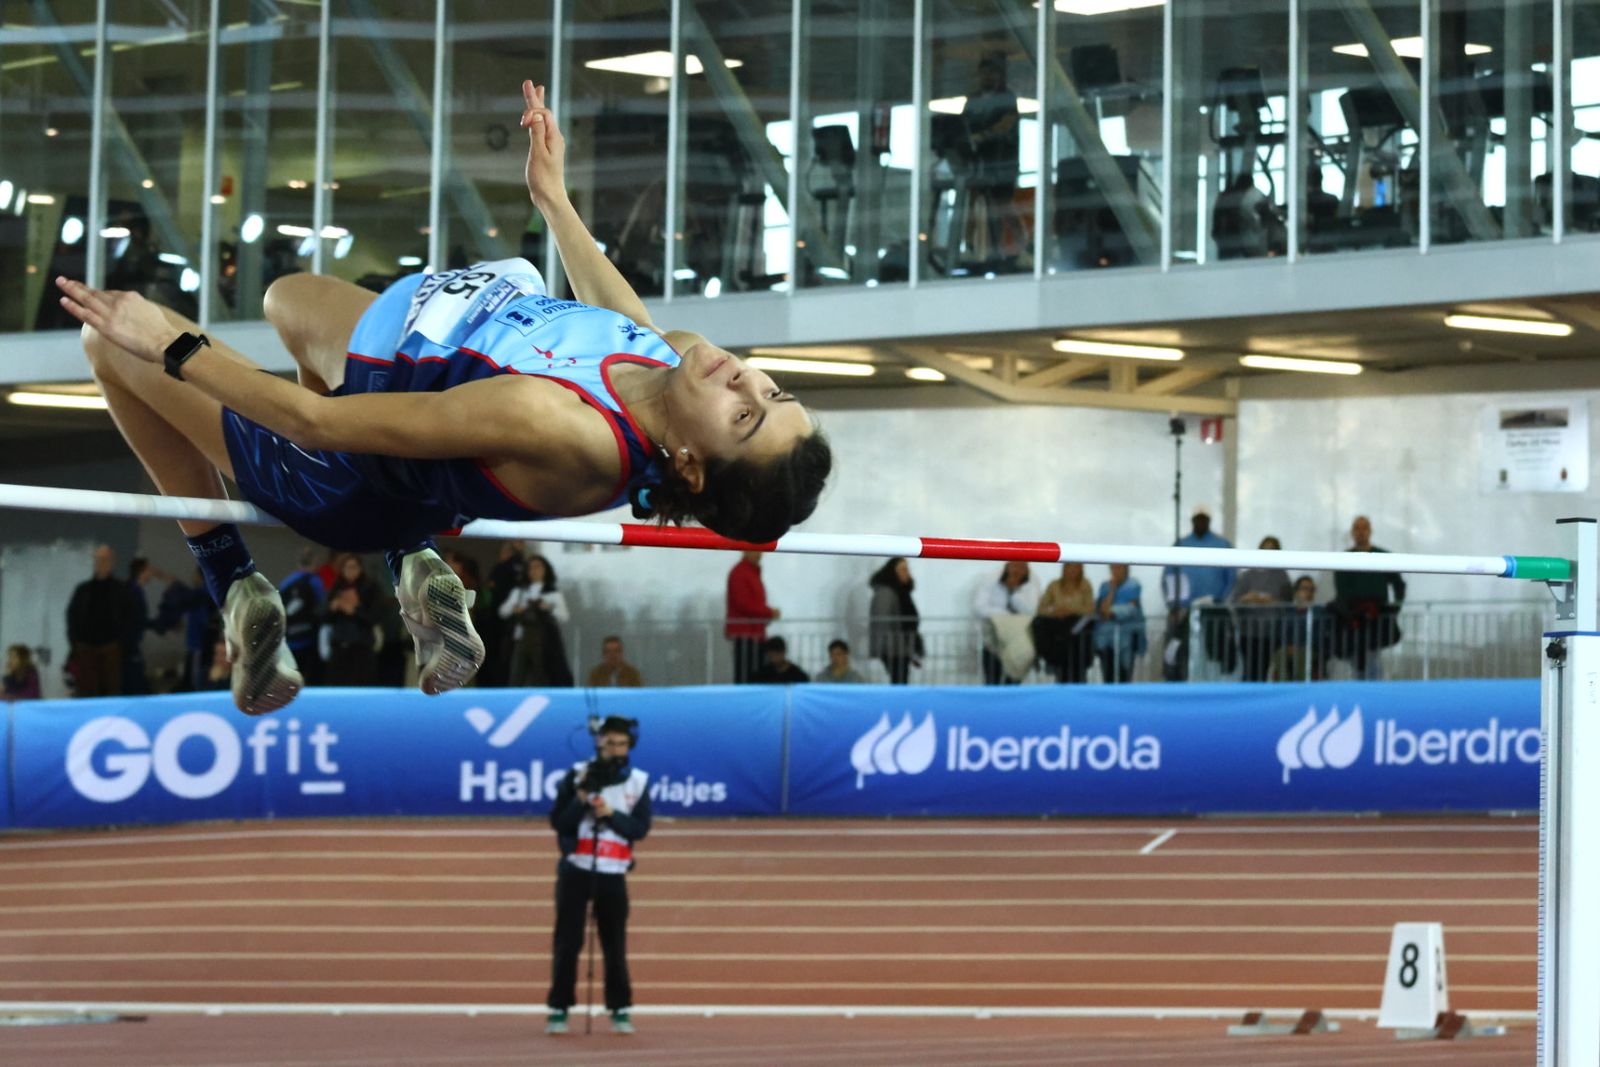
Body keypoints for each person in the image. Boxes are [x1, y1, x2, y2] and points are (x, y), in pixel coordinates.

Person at [57, 79, 831, 717]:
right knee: (287, 300)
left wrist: (172, 345)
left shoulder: (562, 425)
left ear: (690, 464)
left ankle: (235, 582)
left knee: (109, 342)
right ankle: (411, 555)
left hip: (338, 470)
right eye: (773, 389)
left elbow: (317, 422)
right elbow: (622, 321)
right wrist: (554, 201)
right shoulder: (674, 359)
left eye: (745, 416)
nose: (744, 380)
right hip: (400, 352)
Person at [546, 716, 651, 1037]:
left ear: (629, 745)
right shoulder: (577, 775)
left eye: (621, 743)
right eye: (609, 743)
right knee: (568, 942)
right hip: (577, 869)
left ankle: (620, 1008)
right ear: (598, 743)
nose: (615, 749)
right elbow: (559, 824)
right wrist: (580, 801)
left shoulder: (638, 781)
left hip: (613, 873)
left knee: (614, 944)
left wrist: (611, 814)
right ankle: (559, 1008)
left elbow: (639, 829)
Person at [1161, 506, 1237, 679]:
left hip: (1213, 609)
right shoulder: (1181, 544)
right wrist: (1174, 605)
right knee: (1181, 649)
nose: (1200, 522)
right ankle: (1179, 683)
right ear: (1192, 521)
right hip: (1185, 610)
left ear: (1209, 521)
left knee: (1216, 651)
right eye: (1197, 519)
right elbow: (1169, 577)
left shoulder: (1222, 545)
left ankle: (1214, 684)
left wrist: (1219, 600)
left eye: (1204, 519)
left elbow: (1231, 577)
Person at [960, 53, 1021, 270]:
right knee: (973, 200)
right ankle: (968, 245)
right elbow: (962, 126)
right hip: (979, 160)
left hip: (1001, 160)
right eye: (984, 72)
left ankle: (1020, 247)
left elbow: (1006, 124)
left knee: (1001, 205)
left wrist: (983, 135)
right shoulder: (973, 99)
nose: (988, 76)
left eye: (992, 72)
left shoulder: (1007, 98)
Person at [1332, 515, 1406, 680]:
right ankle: (1367, 686)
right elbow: (1341, 588)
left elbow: (1398, 584)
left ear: (1370, 531)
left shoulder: (1383, 556)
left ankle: (1370, 687)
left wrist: (1395, 607)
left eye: (1364, 528)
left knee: (1371, 652)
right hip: (1352, 617)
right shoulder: (1344, 558)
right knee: (1358, 652)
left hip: (1376, 614)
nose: (1361, 532)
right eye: (1357, 528)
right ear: (1352, 533)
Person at [499, 554, 574, 687]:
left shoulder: (553, 593)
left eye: (538, 567)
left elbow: (564, 616)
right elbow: (503, 611)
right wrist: (515, 609)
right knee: (517, 674)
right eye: (531, 568)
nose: (534, 571)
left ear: (545, 570)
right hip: (522, 637)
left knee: (541, 674)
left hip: (544, 640)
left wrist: (549, 608)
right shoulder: (519, 592)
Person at [66, 544, 129, 698]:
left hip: (111, 647)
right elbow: (72, 616)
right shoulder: (83, 590)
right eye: (99, 559)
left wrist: (123, 644)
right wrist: (76, 643)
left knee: (111, 691)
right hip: (86, 647)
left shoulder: (121, 590)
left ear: (112, 562)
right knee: (87, 691)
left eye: (105, 559)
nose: (102, 563)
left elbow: (130, 618)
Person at [1231, 536, 1294, 682]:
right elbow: (1236, 600)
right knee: (1249, 669)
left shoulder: (1282, 576)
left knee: (1264, 668)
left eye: (1272, 549)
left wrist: (1270, 601)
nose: (1268, 552)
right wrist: (1249, 598)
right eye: (1265, 549)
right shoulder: (1247, 576)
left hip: (1271, 632)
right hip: (1248, 631)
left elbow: (1288, 602)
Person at [319, 555, 382, 686]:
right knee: (337, 686)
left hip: (362, 645)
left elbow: (376, 617)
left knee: (361, 685)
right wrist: (333, 607)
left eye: (354, 567)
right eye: (347, 567)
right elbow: (323, 618)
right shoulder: (336, 588)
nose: (350, 571)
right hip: (339, 644)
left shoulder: (370, 588)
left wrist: (355, 610)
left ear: (360, 569)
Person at [974, 560, 1040, 685]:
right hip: (993, 639)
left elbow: (1033, 609)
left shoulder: (1032, 581)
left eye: (1021, 566)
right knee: (992, 680)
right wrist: (1005, 616)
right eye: (1014, 565)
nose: (1017, 570)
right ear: (1007, 565)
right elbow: (979, 606)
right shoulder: (991, 579)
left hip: (1020, 640)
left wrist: (1015, 592)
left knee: (1014, 679)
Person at [1032, 561, 1096, 683]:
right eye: (1069, 566)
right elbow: (1041, 608)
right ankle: (1050, 659)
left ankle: (1063, 663)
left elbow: (1090, 609)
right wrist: (1055, 611)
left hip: (1076, 625)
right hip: (1057, 624)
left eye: (1075, 567)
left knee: (1073, 629)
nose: (1072, 570)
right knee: (1038, 623)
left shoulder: (1085, 585)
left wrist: (1070, 610)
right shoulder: (1054, 585)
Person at [726, 550, 779, 683]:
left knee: (753, 674)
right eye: (756, 550)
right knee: (748, 675)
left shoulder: (747, 572)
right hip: (746, 635)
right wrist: (769, 613)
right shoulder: (741, 573)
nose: (760, 554)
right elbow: (743, 604)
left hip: (753, 634)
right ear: (745, 551)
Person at [868, 557, 922, 685]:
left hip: (901, 648)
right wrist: (889, 649)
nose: (907, 572)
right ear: (892, 572)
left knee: (901, 682)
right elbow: (883, 623)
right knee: (898, 683)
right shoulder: (886, 593)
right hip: (893, 650)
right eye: (903, 569)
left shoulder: (902, 593)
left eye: (907, 569)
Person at [278, 547, 327, 685]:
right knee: (310, 679)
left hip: (290, 638)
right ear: (315, 562)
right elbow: (322, 607)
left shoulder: (286, 582)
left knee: (291, 679)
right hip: (309, 639)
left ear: (298, 563)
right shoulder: (315, 581)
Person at [1094, 563, 1146, 683]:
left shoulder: (1133, 585)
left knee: (1125, 675)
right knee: (1108, 675)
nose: (1115, 571)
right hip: (1106, 639)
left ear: (1126, 569)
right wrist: (1112, 590)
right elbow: (1103, 611)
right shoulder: (1105, 587)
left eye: (1119, 567)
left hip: (1128, 637)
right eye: (1113, 568)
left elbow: (1130, 609)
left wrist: (1112, 611)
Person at [1273, 575, 1327, 681]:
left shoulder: (1318, 612)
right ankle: (1284, 688)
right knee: (1280, 653)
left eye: (1312, 589)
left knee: (1303, 655)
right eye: (1305, 589)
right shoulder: (1287, 612)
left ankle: (1302, 688)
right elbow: (1281, 633)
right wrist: (1289, 646)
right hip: (1288, 648)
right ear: (1296, 591)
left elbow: (1318, 636)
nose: (1309, 593)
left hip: (1310, 649)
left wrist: (1299, 646)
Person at [121, 556, 161, 695]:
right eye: (149, 570)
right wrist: (159, 625)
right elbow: (137, 619)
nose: (151, 573)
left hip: (131, 645)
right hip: (128, 647)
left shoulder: (134, 589)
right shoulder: (133, 591)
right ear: (142, 571)